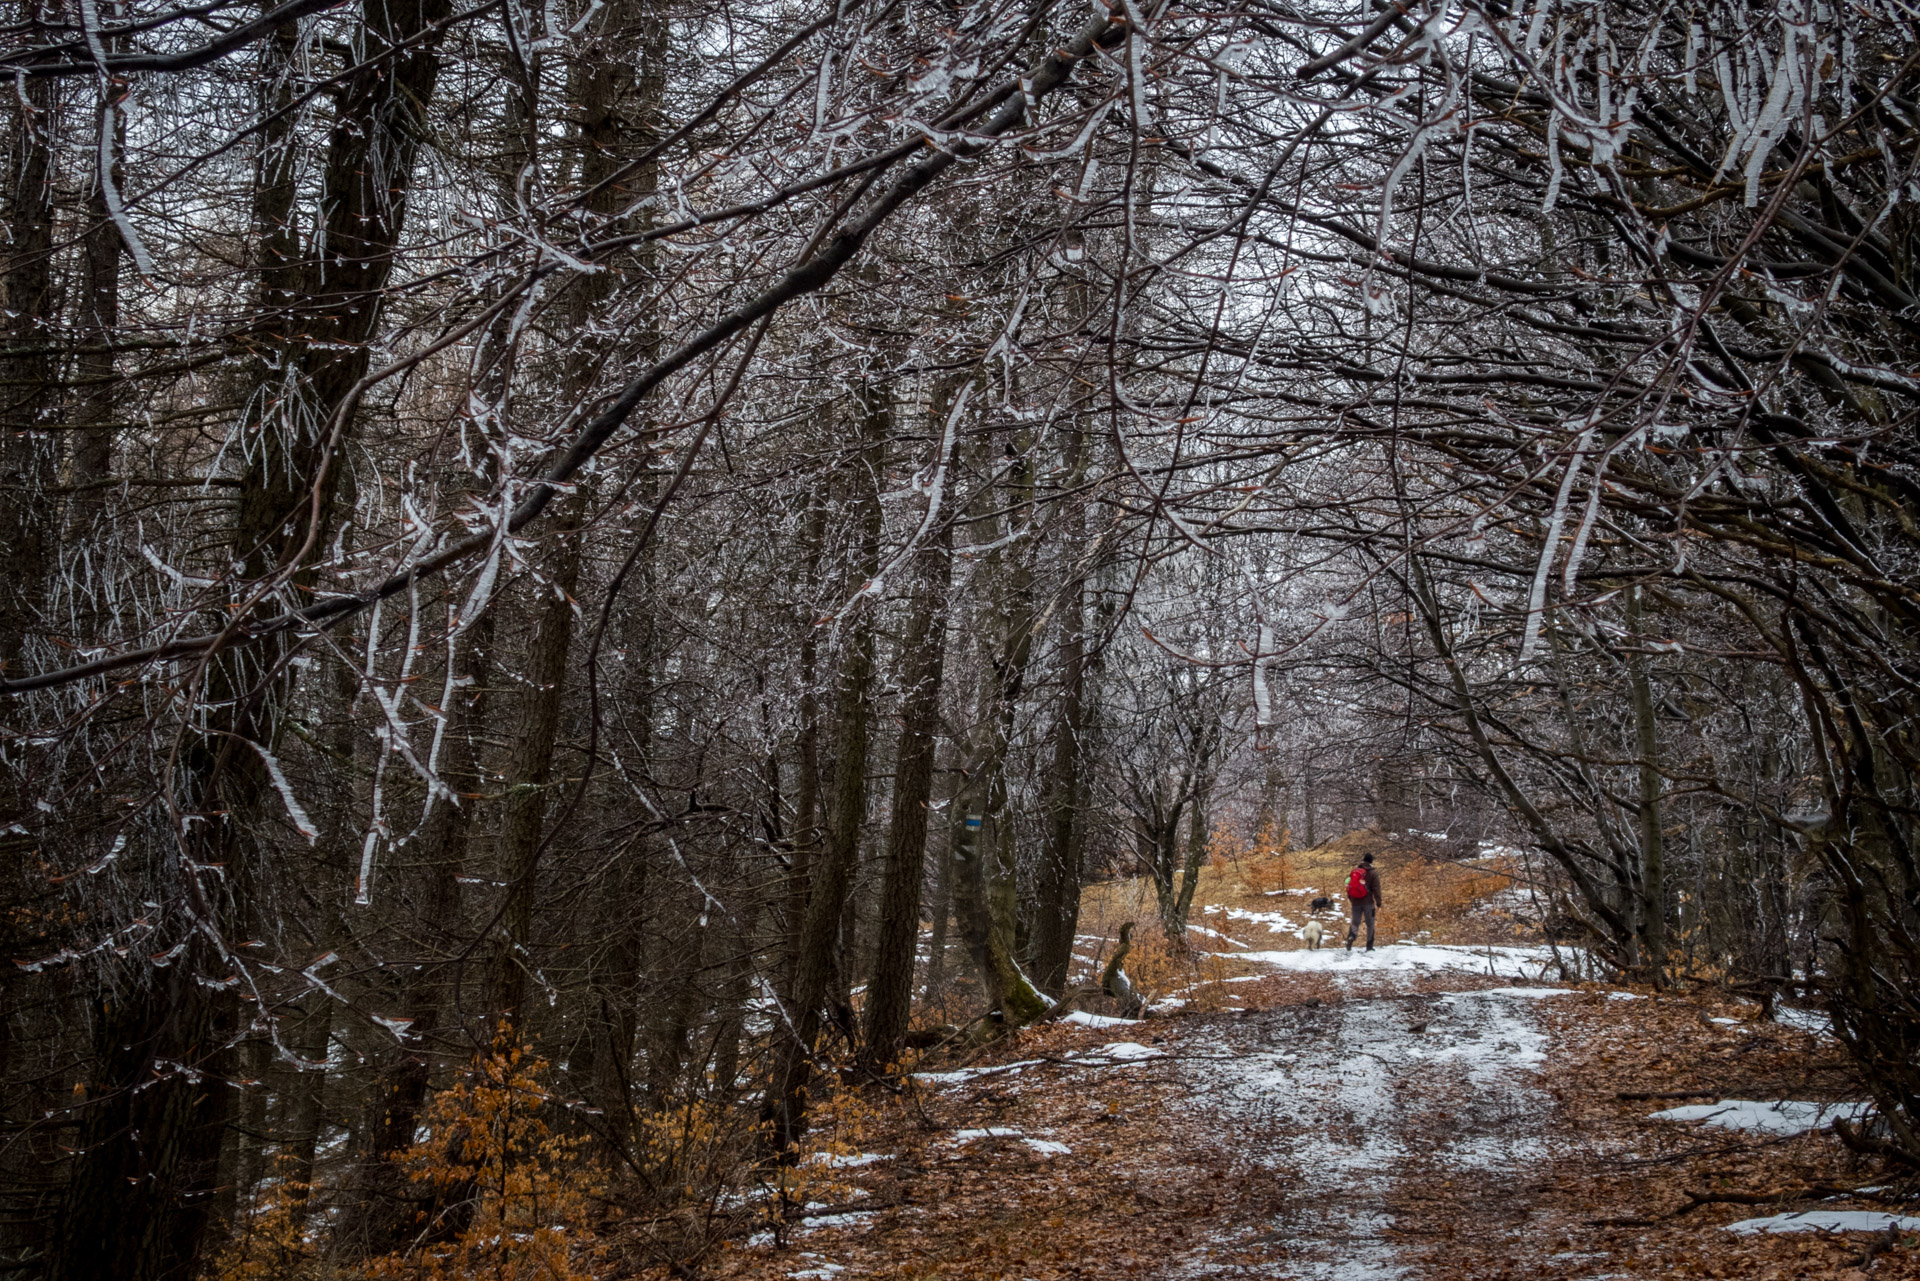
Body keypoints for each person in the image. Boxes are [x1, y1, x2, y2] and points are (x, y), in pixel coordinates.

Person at [1345, 851, 1381, 951]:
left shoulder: (1355, 871)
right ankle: (1369, 946)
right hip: (1368, 903)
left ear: (1363, 860)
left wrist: (1351, 899)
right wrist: (1379, 903)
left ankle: (1351, 937)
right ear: (1371, 861)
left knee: (1355, 922)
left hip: (1355, 902)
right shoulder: (1373, 873)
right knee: (1370, 924)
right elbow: (1376, 889)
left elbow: (1348, 885)